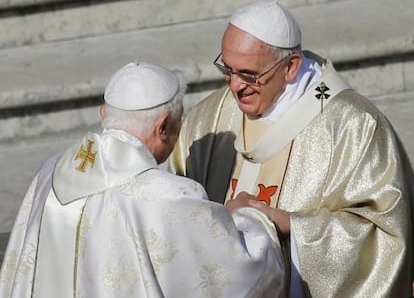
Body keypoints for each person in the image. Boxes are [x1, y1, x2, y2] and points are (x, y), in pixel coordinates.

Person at [169, 0, 414, 297]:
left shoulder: (353, 125)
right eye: (227, 69)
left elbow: (385, 237)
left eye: (250, 74)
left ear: (291, 67)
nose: (235, 86)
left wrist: (292, 227)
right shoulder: (207, 120)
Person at [0, 61, 286, 297]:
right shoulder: (165, 196)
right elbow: (242, 272)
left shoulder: (48, 172)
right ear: (164, 127)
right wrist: (248, 217)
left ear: (104, 113)